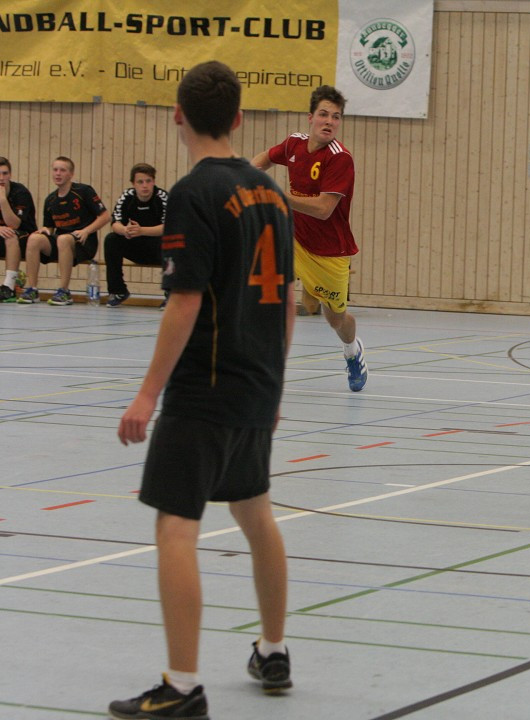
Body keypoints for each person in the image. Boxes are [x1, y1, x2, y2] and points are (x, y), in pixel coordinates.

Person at [110, 61, 295, 720]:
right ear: (241, 119)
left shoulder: (192, 193)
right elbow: (289, 302)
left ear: (177, 116)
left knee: (175, 530)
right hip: (255, 385)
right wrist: (274, 387)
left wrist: (146, 395)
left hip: (204, 388)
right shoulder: (272, 195)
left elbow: (184, 301)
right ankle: (274, 649)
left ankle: (182, 686)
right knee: (256, 514)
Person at [252, 85, 367, 392]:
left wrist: (276, 195)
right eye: (324, 114)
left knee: (336, 319)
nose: (329, 121)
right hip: (292, 237)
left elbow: (324, 209)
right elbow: (263, 159)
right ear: (310, 117)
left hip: (329, 250)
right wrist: (241, 177)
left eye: (336, 117)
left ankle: (352, 351)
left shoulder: (340, 159)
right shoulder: (294, 145)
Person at [17, 157, 109, 306]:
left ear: (71, 174)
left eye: (62, 170)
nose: (58, 174)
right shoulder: (50, 200)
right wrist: (44, 230)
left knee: (63, 239)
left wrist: (86, 230)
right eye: (55, 170)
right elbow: (50, 228)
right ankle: (32, 289)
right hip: (62, 241)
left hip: (84, 242)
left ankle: (64, 291)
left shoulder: (84, 191)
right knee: (34, 238)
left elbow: (105, 216)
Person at [103, 163, 169, 308]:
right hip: (135, 246)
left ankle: (170, 294)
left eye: (148, 181)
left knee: (172, 241)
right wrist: (124, 230)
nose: (145, 185)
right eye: (140, 182)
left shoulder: (162, 197)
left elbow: (168, 227)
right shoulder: (127, 196)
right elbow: (115, 222)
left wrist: (142, 231)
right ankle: (118, 291)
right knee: (111, 240)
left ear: (154, 182)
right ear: (133, 184)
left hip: (158, 248)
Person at [0, 156, 36, 302]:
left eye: (5, 173)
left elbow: (14, 224)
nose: (1, 177)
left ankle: (9, 287)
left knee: (10, 234)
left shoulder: (20, 192)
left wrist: (2, 200)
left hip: (26, 238)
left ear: (10, 175)